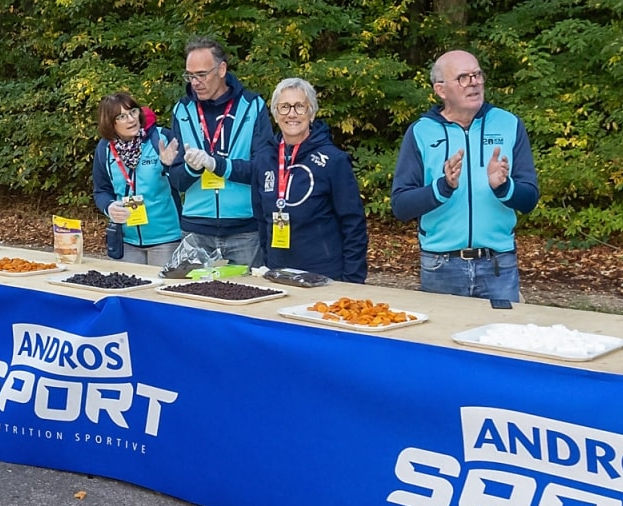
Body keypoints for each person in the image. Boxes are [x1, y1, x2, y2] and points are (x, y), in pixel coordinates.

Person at [391, 50, 540, 307]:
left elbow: (529, 200)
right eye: (462, 77)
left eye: (477, 74)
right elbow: (401, 206)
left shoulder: (509, 124)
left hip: (498, 265)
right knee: (441, 342)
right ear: (441, 90)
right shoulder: (421, 131)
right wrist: (443, 186)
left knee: (500, 344)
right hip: (441, 265)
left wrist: (504, 186)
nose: (474, 82)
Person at [252, 79, 368, 282]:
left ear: (311, 112)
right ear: (275, 114)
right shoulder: (263, 159)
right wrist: (269, 263)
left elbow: (353, 224)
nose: (292, 114)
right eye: (284, 107)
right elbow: (262, 220)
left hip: (324, 273)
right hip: (279, 271)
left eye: (300, 106)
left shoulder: (333, 160)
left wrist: (353, 280)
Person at [166, 38, 268, 267]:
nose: (195, 82)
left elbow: (262, 169)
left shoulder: (253, 106)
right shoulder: (182, 110)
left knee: (248, 299)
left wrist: (218, 165)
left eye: (202, 74)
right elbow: (177, 180)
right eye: (190, 76)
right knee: (194, 300)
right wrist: (192, 169)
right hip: (196, 231)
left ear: (221, 69)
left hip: (244, 230)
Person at [92, 94, 184, 268]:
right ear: (110, 123)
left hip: (166, 239)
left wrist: (170, 166)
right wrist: (109, 207)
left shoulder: (161, 138)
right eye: (121, 116)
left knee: (162, 294)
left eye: (133, 111)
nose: (131, 119)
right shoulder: (104, 148)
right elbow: (101, 190)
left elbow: (184, 182)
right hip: (126, 241)